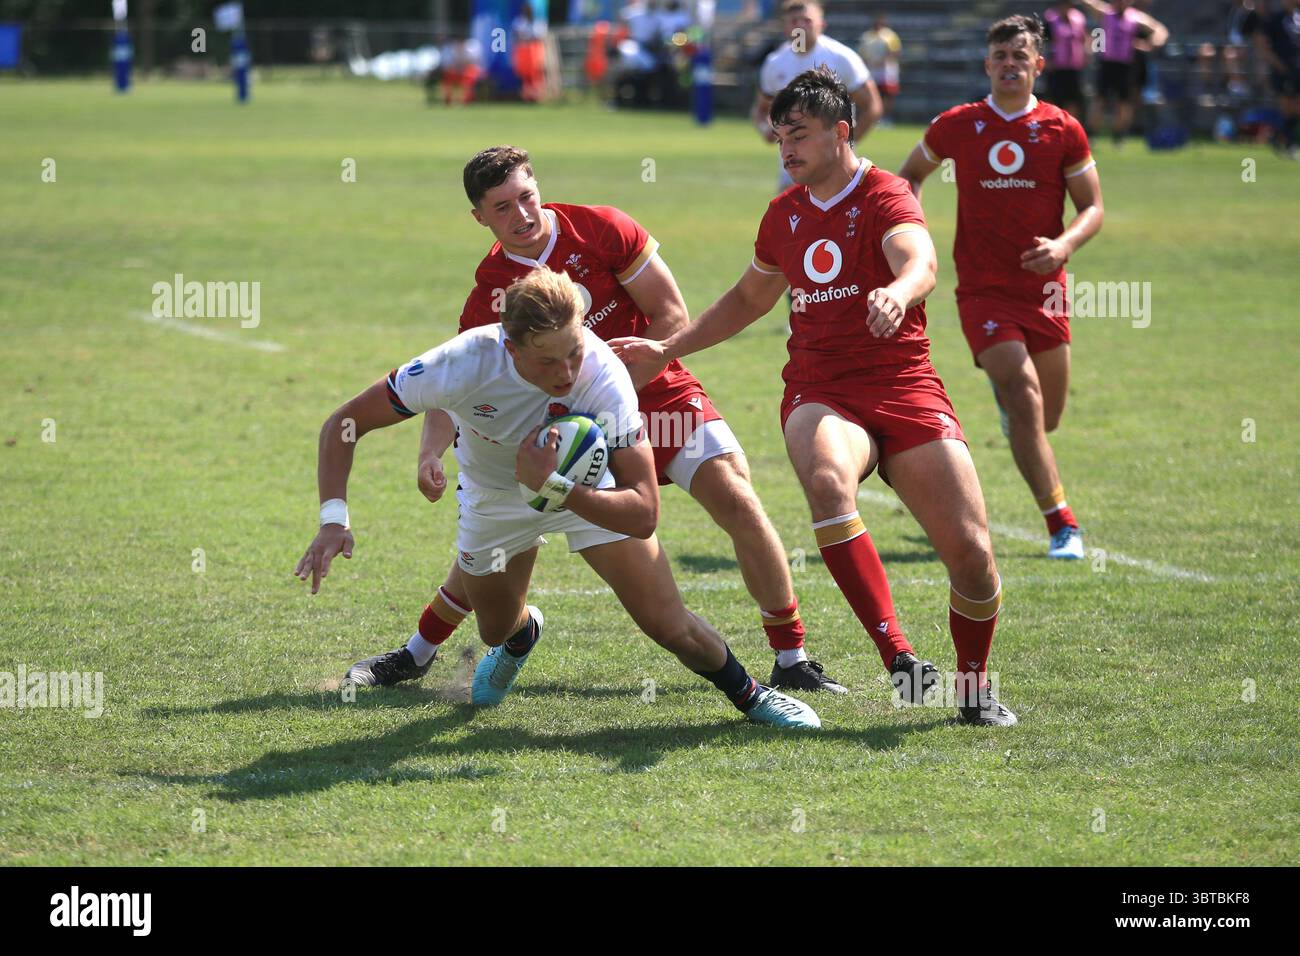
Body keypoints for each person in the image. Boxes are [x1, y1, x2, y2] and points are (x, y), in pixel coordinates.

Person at [346, 146, 846, 695]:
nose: (522, 215)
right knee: (495, 532)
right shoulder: (492, 286)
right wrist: (430, 451)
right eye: (503, 208)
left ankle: (791, 655)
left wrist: (619, 380)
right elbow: (458, 382)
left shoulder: (602, 228)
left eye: (526, 198)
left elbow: (670, 311)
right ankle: (421, 651)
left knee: (737, 498)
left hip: (657, 394)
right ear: (481, 218)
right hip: (567, 422)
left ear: (539, 188)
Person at [614, 68, 1018, 726]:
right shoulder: (784, 215)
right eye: (778, 140)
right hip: (820, 389)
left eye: (797, 136)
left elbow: (921, 259)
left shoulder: (885, 194)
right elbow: (748, 299)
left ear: (840, 131)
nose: (786, 151)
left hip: (904, 386)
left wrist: (899, 289)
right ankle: (900, 659)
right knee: (830, 482)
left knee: (973, 556)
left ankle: (973, 690)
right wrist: (666, 349)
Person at [293, 267, 820, 729]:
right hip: (495, 499)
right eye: (547, 362)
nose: (566, 374)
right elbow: (344, 422)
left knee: (668, 624)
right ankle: (523, 636)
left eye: (574, 351)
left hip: (584, 489)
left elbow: (643, 512)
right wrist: (332, 518)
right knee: (495, 627)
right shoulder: (463, 363)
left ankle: (754, 696)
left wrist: (559, 488)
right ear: (510, 346)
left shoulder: (604, 378)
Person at [897, 14, 1104, 562]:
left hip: (1046, 291)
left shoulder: (1064, 128)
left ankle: (1015, 403)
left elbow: (1093, 209)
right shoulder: (958, 124)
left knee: (1045, 418)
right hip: (983, 291)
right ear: (988, 65)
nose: (1010, 65)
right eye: (1000, 57)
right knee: (1023, 393)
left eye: (1021, 57)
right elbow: (910, 174)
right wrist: (913, 229)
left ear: (1039, 64)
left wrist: (1063, 247)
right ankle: (1062, 523)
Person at [753, 1, 882, 193]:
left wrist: (847, 144)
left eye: (807, 20)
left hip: (835, 168)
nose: (800, 26)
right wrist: (767, 129)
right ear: (785, 26)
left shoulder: (841, 58)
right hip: (792, 168)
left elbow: (872, 106)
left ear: (822, 24)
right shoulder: (775, 63)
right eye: (794, 21)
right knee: (789, 219)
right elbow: (761, 108)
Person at [1080, 0, 1168, 144]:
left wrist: (1149, 44)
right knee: (1100, 100)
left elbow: (1160, 31)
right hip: (1107, 64)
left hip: (1125, 65)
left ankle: (1119, 135)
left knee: (1123, 103)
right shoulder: (1106, 13)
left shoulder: (1135, 17)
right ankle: (1091, 133)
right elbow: (1090, 4)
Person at [1245, 0, 1300, 157]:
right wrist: (1276, 64)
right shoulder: (1275, 19)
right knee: (1288, 107)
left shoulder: (1297, 18)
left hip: (1297, 69)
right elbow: (1260, 42)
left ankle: (1278, 137)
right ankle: (1288, 143)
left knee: (1295, 109)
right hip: (1283, 70)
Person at [1043, 2, 1089, 120]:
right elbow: (1044, 41)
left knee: (1073, 100)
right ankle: (1052, 124)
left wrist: (1085, 54)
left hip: (1074, 67)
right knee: (1054, 99)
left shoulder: (1078, 18)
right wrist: (1047, 61)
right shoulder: (1050, 19)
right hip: (1056, 68)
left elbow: (1083, 38)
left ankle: (1069, 126)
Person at [858, 15, 901, 122]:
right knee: (874, 94)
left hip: (886, 70)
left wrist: (884, 60)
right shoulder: (867, 36)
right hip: (871, 70)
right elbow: (862, 53)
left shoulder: (890, 36)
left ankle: (886, 118)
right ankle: (875, 117)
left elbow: (895, 51)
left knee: (888, 95)